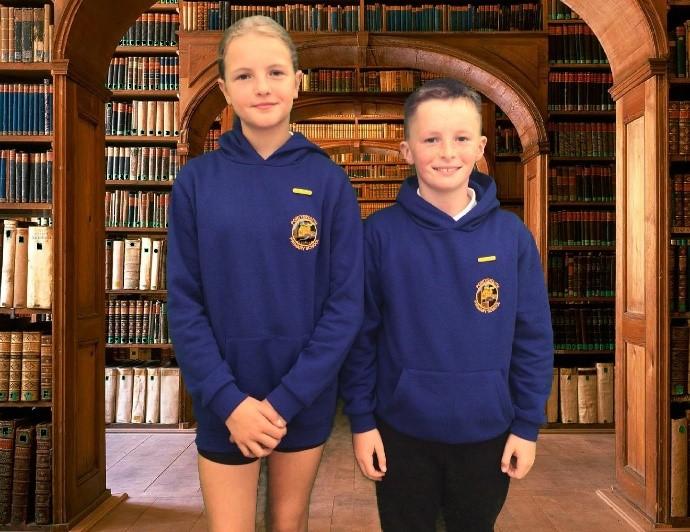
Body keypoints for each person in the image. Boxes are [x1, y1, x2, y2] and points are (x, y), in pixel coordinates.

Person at [167, 15, 363, 532]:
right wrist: (229, 401)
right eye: (245, 75)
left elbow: (346, 305)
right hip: (223, 397)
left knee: (288, 522)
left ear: (298, 82)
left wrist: (287, 399)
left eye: (275, 72)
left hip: (304, 393)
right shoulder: (196, 181)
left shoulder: (329, 181)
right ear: (224, 89)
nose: (262, 87)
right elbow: (184, 304)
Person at [339, 78, 554, 531]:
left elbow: (532, 338)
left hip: (489, 431)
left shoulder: (512, 237)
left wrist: (526, 426)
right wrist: (361, 421)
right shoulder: (377, 235)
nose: (447, 152)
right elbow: (360, 337)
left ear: (480, 147)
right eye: (431, 139)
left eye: (460, 138)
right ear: (407, 150)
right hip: (400, 432)